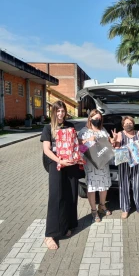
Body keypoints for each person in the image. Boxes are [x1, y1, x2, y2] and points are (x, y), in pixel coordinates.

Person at [41, 100, 80, 250]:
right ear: (53, 112)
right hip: (56, 164)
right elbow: (47, 150)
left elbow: (76, 144)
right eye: (58, 111)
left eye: (62, 111)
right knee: (56, 197)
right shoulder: (48, 128)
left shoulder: (70, 126)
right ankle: (50, 234)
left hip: (70, 164)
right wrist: (60, 161)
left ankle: (66, 226)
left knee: (70, 194)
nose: (60, 114)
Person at [78, 109, 116, 222]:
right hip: (91, 164)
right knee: (92, 187)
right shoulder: (84, 131)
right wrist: (88, 140)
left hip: (103, 163)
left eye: (99, 119)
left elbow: (109, 144)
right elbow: (80, 147)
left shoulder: (103, 130)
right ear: (90, 118)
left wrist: (113, 140)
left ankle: (102, 206)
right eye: (95, 119)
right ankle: (94, 210)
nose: (97, 121)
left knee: (103, 186)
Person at [115, 116, 139, 219]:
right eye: (126, 123)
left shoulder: (138, 133)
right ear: (123, 125)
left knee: (137, 186)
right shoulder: (120, 134)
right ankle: (125, 209)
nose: (128, 125)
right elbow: (116, 148)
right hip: (123, 164)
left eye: (130, 123)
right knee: (124, 187)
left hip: (136, 163)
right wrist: (117, 142)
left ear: (133, 124)